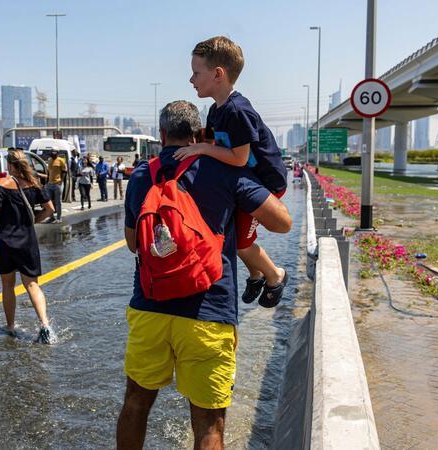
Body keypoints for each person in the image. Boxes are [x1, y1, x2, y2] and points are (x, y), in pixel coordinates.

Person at [116, 101, 292, 449]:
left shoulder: (143, 174)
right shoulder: (223, 169)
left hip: (150, 308)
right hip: (208, 313)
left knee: (136, 403)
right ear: (199, 134)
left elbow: (133, 244)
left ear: (162, 134)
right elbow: (282, 222)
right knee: (210, 425)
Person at [176, 36, 289, 307]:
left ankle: (274, 276)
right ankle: (255, 273)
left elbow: (239, 158)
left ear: (218, 74)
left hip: (266, 184)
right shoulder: (217, 110)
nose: (191, 80)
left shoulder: (238, 111)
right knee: (233, 234)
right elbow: (213, 142)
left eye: (196, 73)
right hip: (245, 180)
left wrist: (201, 150)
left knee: (241, 242)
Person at [0, 149, 56, 343]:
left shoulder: (3, 184)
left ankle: (10, 325)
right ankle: (45, 324)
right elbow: (50, 209)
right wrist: (34, 220)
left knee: (8, 285)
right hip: (28, 240)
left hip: (7, 240)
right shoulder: (35, 184)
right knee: (32, 284)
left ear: (9, 165)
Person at [43, 152, 66, 223]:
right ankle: (51, 217)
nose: (52, 155)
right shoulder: (49, 160)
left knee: (58, 202)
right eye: (51, 154)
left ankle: (59, 218)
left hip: (57, 184)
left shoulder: (61, 160)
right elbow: (48, 172)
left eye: (53, 154)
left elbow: (64, 172)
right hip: (49, 184)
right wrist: (46, 182)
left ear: (56, 154)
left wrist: (61, 181)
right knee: (49, 201)